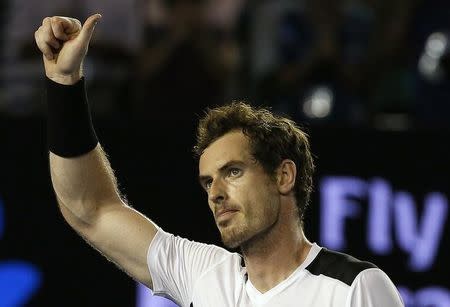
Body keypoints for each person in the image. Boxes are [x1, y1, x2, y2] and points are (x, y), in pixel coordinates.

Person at [34, 14, 404, 307]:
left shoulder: (354, 289)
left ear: (284, 176)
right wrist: (64, 84)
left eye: (233, 172)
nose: (216, 193)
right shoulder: (203, 274)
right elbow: (90, 209)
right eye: (208, 182)